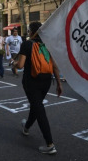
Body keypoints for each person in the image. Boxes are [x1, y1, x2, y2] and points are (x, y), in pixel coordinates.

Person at [13, 21, 63, 155]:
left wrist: (14, 64)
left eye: (29, 30)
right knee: (37, 105)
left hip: (31, 82)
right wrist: (59, 83)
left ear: (31, 31)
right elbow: (54, 65)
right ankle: (27, 126)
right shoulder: (47, 44)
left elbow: (21, 65)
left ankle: (50, 144)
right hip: (46, 81)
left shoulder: (27, 44)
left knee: (39, 109)